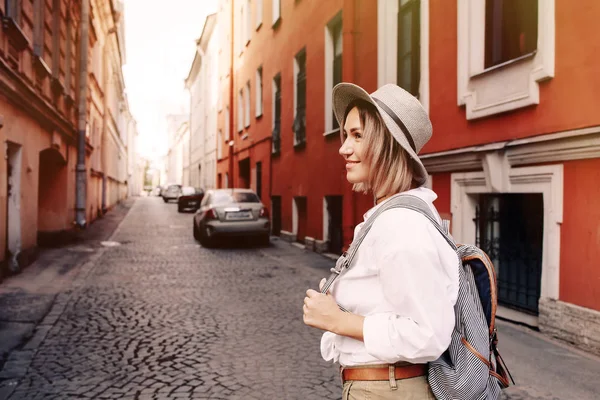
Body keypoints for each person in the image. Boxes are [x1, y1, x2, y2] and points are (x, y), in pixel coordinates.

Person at [303, 83, 459, 399]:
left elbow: (426, 333)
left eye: (357, 136)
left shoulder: (402, 225)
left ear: (386, 144)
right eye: (346, 135)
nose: (343, 148)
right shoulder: (392, 218)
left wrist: (339, 320)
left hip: (386, 390)